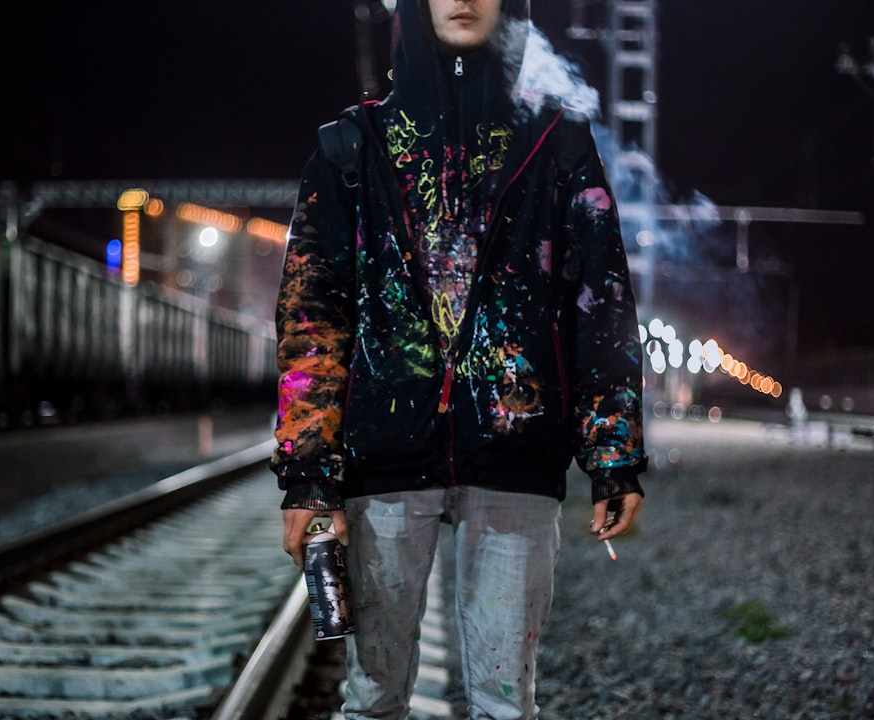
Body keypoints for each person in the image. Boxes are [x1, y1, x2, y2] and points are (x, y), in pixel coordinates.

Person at [271, 0, 647, 717]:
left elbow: (601, 304)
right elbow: (312, 318)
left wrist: (613, 452)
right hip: (382, 459)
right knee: (374, 697)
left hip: (515, 453)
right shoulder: (352, 147)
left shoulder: (558, 141)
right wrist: (310, 478)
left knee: (507, 704)